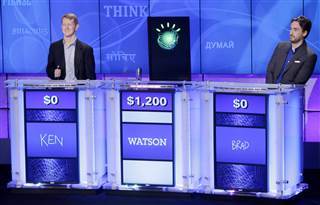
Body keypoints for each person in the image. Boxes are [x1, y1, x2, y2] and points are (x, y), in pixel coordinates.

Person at [266, 15, 317, 84]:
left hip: (290, 94)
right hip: (271, 92)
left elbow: (298, 82)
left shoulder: (310, 56)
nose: (291, 33)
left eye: (295, 29)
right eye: (291, 29)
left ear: (304, 33)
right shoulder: (280, 46)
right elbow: (270, 71)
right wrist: (270, 91)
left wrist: (280, 93)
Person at [46, 13, 96, 80]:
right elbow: (49, 69)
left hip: (79, 89)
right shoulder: (54, 47)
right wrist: (53, 73)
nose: (66, 28)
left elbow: (91, 76)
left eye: (69, 24)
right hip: (61, 89)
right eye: (64, 25)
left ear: (76, 27)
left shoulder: (86, 49)